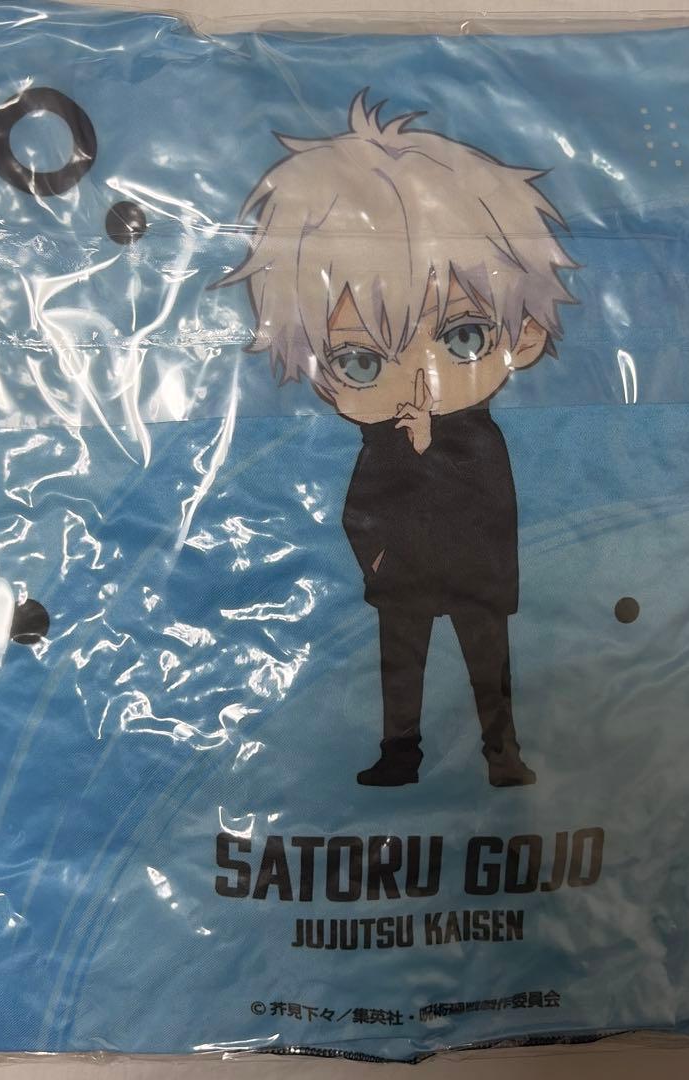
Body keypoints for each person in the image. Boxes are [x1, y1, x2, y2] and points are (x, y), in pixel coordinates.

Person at [215, 91, 576, 786]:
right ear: (323, 379)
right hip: (402, 581)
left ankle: (501, 753)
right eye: (361, 361)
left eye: (463, 336)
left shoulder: (479, 438)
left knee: (487, 664)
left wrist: (431, 448)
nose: (418, 376)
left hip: (474, 579)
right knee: (400, 665)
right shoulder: (378, 445)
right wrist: (378, 559)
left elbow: (492, 504)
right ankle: (399, 752)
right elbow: (361, 507)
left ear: (525, 337)